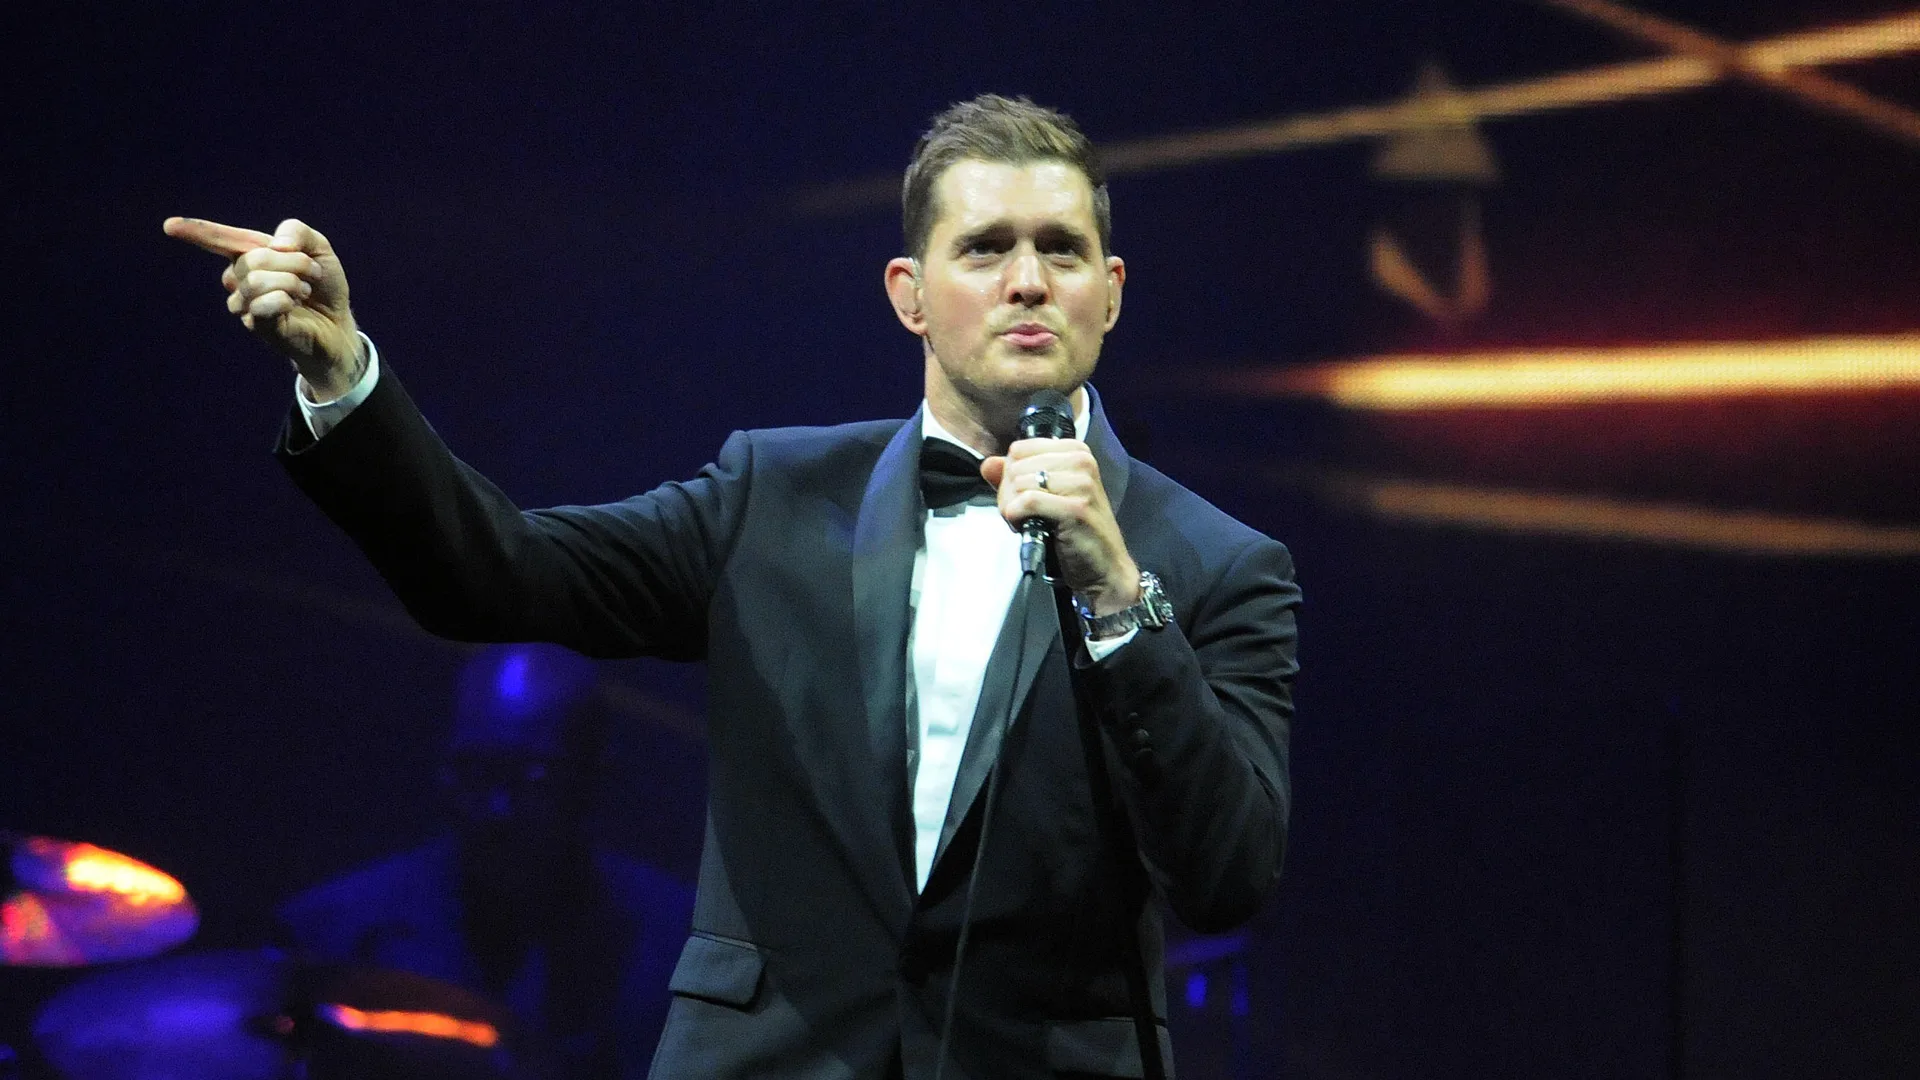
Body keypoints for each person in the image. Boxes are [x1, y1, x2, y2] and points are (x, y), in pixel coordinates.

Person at [167, 93, 1300, 1079]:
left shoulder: (1216, 565)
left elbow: (1226, 875)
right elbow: (495, 576)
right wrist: (344, 378)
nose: (1025, 282)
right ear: (909, 293)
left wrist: (1117, 600)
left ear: (1109, 291)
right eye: (985, 248)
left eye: (1060, 249)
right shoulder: (772, 491)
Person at [276, 642, 695, 1078]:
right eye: (477, 772)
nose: (498, 808)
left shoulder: (680, 946)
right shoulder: (330, 933)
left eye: (533, 778)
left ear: (593, 784)